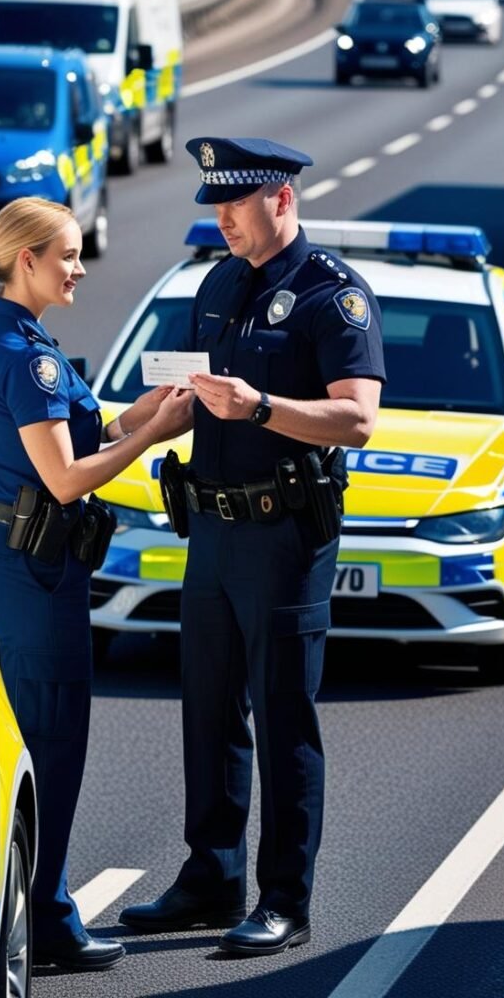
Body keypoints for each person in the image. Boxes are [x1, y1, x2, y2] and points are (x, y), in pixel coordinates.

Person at [119, 138, 386, 956]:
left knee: (281, 717)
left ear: (281, 198)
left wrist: (261, 405)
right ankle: (210, 877)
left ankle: (284, 899)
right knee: (208, 710)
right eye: (215, 205)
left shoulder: (332, 296)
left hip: (284, 535)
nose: (222, 219)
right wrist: (169, 405)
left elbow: (359, 419)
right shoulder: (218, 282)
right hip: (213, 528)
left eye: (235, 204)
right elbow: (205, 399)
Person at [0, 196, 192, 971]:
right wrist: (153, 435)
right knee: (49, 747)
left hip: (7, 557)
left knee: (27, 745)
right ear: (27, 260)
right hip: (32, 570)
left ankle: (37, 906)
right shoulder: (29, 354)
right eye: (68, 254)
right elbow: (62, 479)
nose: (81, 267)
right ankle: (48, 919)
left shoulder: (8, 339)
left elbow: (65, 437)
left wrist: (135, 416)